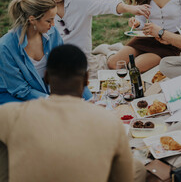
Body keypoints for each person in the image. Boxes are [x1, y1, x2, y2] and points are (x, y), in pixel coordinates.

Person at [0, 44, 146, 182]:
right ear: (86, 80)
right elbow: (124, 178)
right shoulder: (110, 122)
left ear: (46, 77)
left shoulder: (9, 115)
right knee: (138, 168)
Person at [31, 0, 151, 77]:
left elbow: (106, 4)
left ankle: (107, 51)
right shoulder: (37, 12)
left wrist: (130, 8)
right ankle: (107, 50)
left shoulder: (79, 0)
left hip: (83, 62)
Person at [0, 0, 63, 103]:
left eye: (54, 19)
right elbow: (18, 88)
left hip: (42, 91)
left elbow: (67, 69)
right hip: (12, 95)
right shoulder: (5, 47)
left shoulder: (52, 33)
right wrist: (50, 100)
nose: (53, 24)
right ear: (32, 19)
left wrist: (90, 99)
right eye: (49, 20)